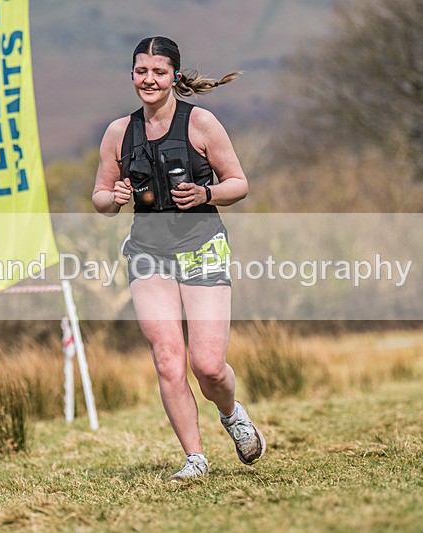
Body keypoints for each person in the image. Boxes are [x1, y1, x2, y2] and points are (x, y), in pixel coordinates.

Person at [92, 36, 266, 482]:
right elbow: (101, 198)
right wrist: (115, 197)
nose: (148, 79)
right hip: (148, 255)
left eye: (158, 72)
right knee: (168, 359)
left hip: (202, 248)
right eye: (141, 71)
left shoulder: (202, 124)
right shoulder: (118, 132)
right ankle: (195, 458)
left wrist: (206, 193)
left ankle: (232, 414)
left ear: (175, 77)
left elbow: (239, 184)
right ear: (131, 74)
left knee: (207, 366)